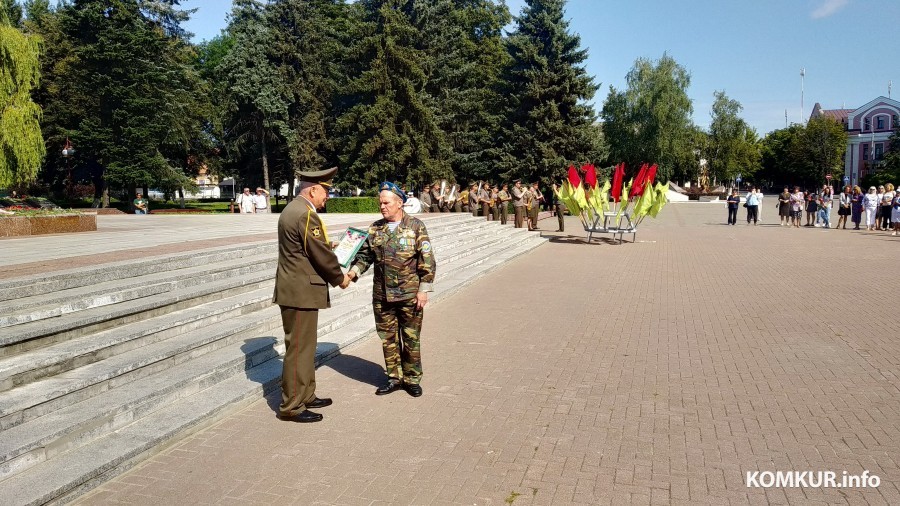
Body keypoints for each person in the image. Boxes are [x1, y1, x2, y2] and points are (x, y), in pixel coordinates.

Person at [272, 167, 351, 423]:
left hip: (296, 291)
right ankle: (292, 406)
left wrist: (328, 246)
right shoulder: (306, 214)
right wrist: (340, 279)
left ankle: (306, 394)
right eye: (325, 191)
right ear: (313, 189)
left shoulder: (293, 209)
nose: (327, 195)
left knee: (305, 348)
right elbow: (318, 255)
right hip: (299, 293)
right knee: (298, 350)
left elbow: (305, 247)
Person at [348, 182, 436, 397]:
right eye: (380, 203)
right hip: (382, 295)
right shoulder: (375, 228)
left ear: (400, 203)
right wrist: (352, 273)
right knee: (388, 338)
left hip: (409, 294)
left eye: (386, 202)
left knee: (411, 338)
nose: (382, 206)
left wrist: (424, 289)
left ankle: (412, 378)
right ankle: (394, 378)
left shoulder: (416, 226)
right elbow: (365, 257)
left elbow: (427, 259)